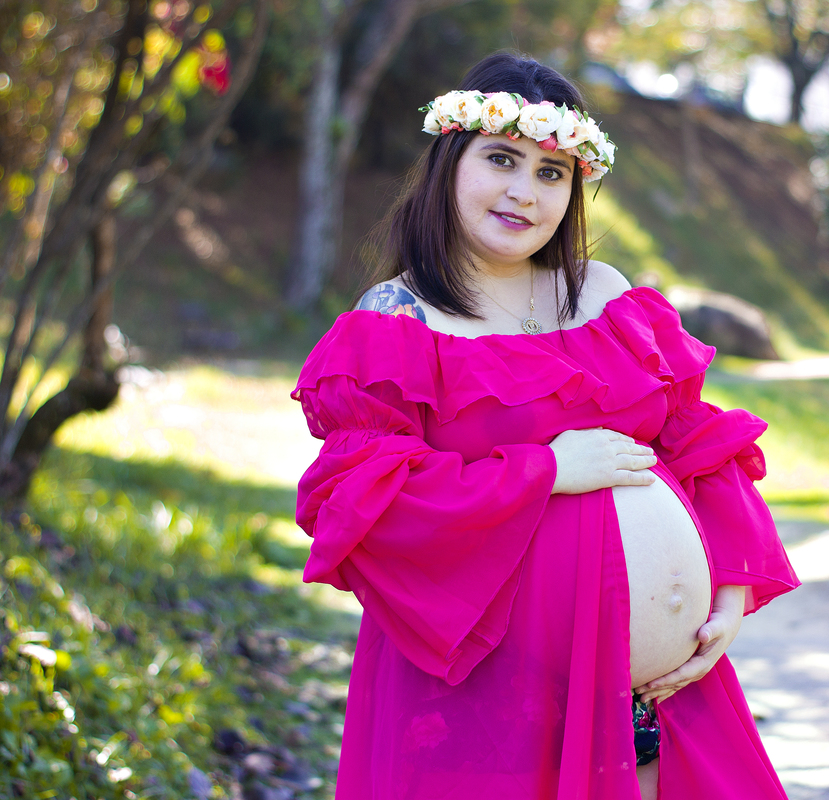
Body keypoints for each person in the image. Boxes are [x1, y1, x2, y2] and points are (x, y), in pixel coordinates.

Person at [292, 52, 799, 800]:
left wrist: (725, 591)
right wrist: (547, 471)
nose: (525, 192)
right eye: (503, 159)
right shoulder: (397, 321)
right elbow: (366, 502)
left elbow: (697, 441)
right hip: (486, 690)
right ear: (449, 163)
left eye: (552, 173)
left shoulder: (606, 297)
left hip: (653, 689)